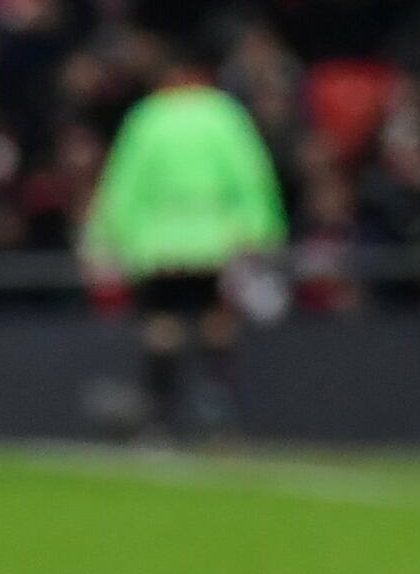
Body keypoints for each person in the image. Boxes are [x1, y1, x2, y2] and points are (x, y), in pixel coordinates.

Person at [81, 53, 287, 442]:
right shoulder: (224, 115)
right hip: (217, 240)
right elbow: (250, 174)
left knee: (162, 325)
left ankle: (158, 418)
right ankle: (218, 413)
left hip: (161, 244)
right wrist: (262, 229)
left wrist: (105, 236)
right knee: (217, 323)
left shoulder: (149, 117)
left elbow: (126, 182)